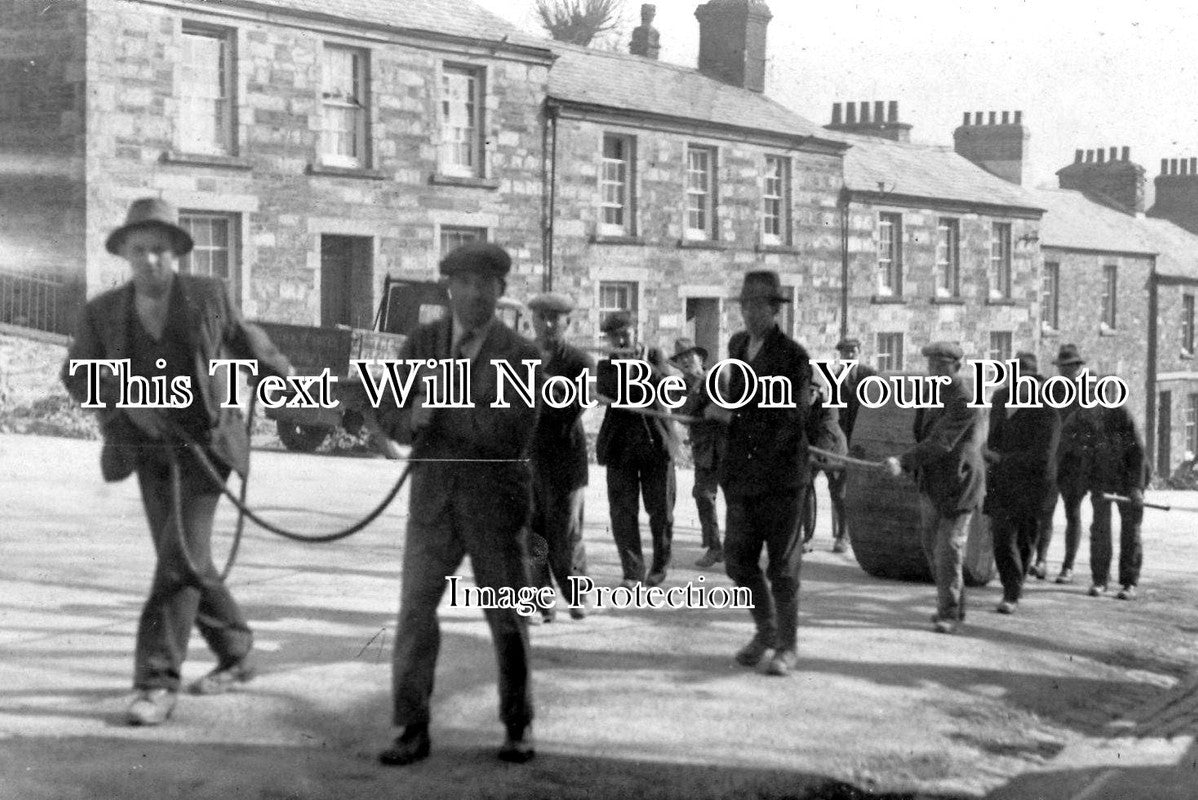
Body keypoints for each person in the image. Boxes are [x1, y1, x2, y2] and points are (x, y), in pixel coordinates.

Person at [60, 197, 292, 726]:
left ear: (177, 255)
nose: (151, 261)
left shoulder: (208, 296)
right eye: (140, 251)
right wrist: (122, 402)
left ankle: (156, 681)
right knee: (187, 558)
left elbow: (250, 345)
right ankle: (237, 651)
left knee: (179, 554)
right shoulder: (103, 312)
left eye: (161, 251)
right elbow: (77, 374)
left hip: (208, 448)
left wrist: (289, 383)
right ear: (124, 253)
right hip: (148, 452)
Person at [361, 242, 542, 766]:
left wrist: (439, 408)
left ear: (501, 291)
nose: (473, 294)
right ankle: (411, 727)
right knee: (415, 612)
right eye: (463, 283)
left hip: (495, 505)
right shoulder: (421, 343)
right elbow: (389, 412)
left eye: (485, 284)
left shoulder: (522, 355)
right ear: (449, 289)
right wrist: (409, 419)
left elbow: (510, 431)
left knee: (508, 617)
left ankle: (518, 725)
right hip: (432, 503)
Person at [714, 271, 810, 676]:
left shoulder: (793, 356)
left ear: (775, 309)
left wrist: (734, 412)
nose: (750, 312)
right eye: (744, 304)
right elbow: (727, 390)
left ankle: (786, 646)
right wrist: (705, 404)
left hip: (782, 477)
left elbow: (794, 413)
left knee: (783, 570)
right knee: (737, 561)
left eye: (758, 305)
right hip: (741, 476)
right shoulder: (737, 346)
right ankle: (766, 629)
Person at [885, 341, 984, 634]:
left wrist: (903, 462)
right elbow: (921, 435)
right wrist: (906, 462)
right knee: (931, 545)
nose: (934, 372)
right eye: (931, 366)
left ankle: (949, 613)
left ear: (956, 368)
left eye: (941, 367)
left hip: (959, 484)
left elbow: (941, 441)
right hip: (932, 483)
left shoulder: (964, 399)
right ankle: (954, 603)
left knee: (948, 548)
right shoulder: (930, 392)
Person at [595, 311, 679, 587]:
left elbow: (665, 387)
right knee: (622, 512)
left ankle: (659, 568)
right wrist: (625, 366)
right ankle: (632, 572)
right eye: (614, 337)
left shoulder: (655, 355)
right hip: (620, 446)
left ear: (635, 331)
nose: (620, 340)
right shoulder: (607, 366)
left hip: (655, 443)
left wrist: (643, 366)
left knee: (661, 511)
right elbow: (616, 393)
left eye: (625, 334)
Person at [525, 291, 595, 622]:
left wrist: (542, 386)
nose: (548, 324)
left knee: (565, 535)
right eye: (541, 317)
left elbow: (573, 409)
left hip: (565, 460)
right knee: (532, 535)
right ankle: (543, 602)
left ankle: (576, 593)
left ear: (567, 322)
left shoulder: (579, 362)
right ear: (533, 320)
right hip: (527, 459)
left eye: (555, 318)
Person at [983, 351, 1060, 614]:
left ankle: (1017, 581)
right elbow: (993, 436)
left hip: (1035, 486)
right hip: (1002, 483)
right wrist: (987, 451)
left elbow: (1043, 458)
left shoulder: (1048, 411)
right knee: (1002, 538)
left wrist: (1001, 458)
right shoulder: (1000, 399)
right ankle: (1011, 592)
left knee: (1027, 541)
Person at [670, 337, 726, 569]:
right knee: (703, 494)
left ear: (700, 358)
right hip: (704, 449)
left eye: (688, 356)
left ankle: (740, 549)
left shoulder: (718, 376)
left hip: (728, 446)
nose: (685, 361)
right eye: (680, 359)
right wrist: (694, 387)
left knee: (737, 500)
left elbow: (728, 403)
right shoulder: (679, 387)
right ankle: (714, 547)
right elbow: (681, 410)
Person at [1084, 396, 1148, 600]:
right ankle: (1100, 580)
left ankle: (1129, 582)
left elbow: (1137, 452)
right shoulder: (1085, 419)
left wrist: (1136, 487)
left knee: (1131, 531)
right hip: (1103, 481)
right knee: (1100, 529)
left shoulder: (1122, 415)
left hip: (1129, 479)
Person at [1038, 343, 1092, 584]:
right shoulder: (1051, 391)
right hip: (1051, 461)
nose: (1064, 372)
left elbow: (1091, 431)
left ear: (1078, 367)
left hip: (1074, 464)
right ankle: (1040, 561)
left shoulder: (1088, 394)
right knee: (1045, 512)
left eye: (1069, 367)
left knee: (1073, 514)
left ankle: (1068, 567)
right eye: (1061, 367)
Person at [825, 338, 877, 552]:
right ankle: (843, 534)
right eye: (845, 353)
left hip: (863, 439)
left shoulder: (869, 375)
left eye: (852, 352)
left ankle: (851, 534)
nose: (849, 356)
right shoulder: (835, 378)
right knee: (838, 489)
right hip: (841, 441)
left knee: (852, 490)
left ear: (859, 352)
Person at [802, 375, 847, 552]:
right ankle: (808, 537)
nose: (806, 397)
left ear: (816, 392)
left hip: (834, 451)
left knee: (838, 494)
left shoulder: (829, 406)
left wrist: (813, 457)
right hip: (812, 451)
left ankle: (842, 537)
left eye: (809, 393)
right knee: (806, 489)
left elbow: (827, 434)